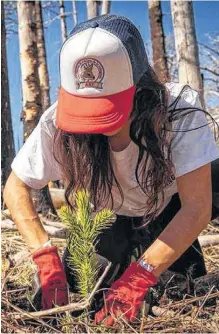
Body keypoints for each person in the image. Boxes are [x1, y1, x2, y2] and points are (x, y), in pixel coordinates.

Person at [3, 14, 219, 325]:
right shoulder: (56, 122)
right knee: (85, 292)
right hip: (108, 214)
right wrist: (44, 255)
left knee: (179, 292)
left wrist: (141, 275)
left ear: (141, 89)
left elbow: (197, 206)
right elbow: (15, 187)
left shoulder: (179, 113)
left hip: (170, 208)